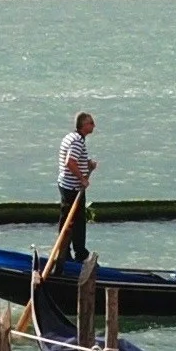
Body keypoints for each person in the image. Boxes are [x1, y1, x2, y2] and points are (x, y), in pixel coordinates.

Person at [52, 111, 99, 265]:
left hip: (67, 185)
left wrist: (88, 163)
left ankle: (72, 252)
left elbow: (76, 158)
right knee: (74, 221)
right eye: (91, 123)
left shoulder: (72, 137)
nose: (94, 126)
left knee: (72, 220)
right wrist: (82, 178)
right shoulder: (77, 141)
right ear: (83, 125)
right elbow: (70, 162)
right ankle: (73, 253)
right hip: (72, 187)